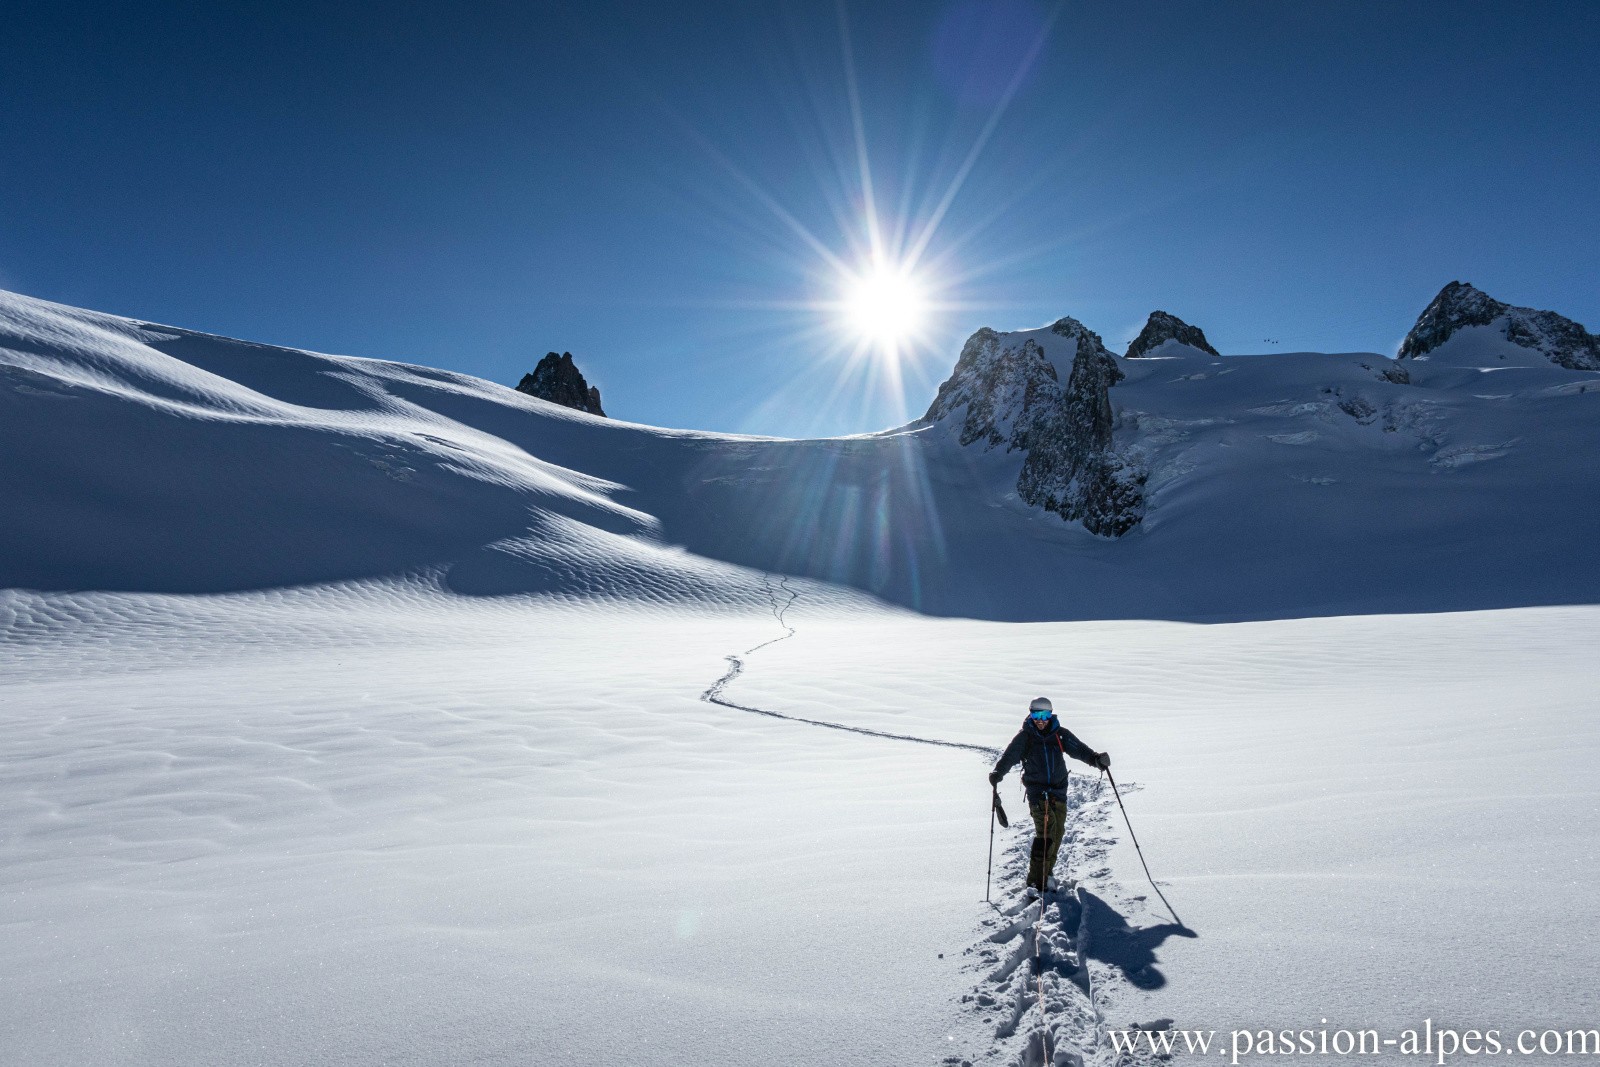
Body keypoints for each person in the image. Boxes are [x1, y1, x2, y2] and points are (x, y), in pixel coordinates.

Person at [988, 696, 1109, 896]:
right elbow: (1009, 757)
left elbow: (1079, 750)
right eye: (1036, 714)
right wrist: (997, 774)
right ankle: (1036, 882)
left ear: (1051, 715)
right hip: (1037, 792)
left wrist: (1096, 760)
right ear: (1030, 714)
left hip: (1059, 790)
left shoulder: (1059, 735)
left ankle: (1046, 873)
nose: (1041, 719)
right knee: (1046, 830)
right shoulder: (1025, 737)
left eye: (1045, 715)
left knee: (1058, 832)